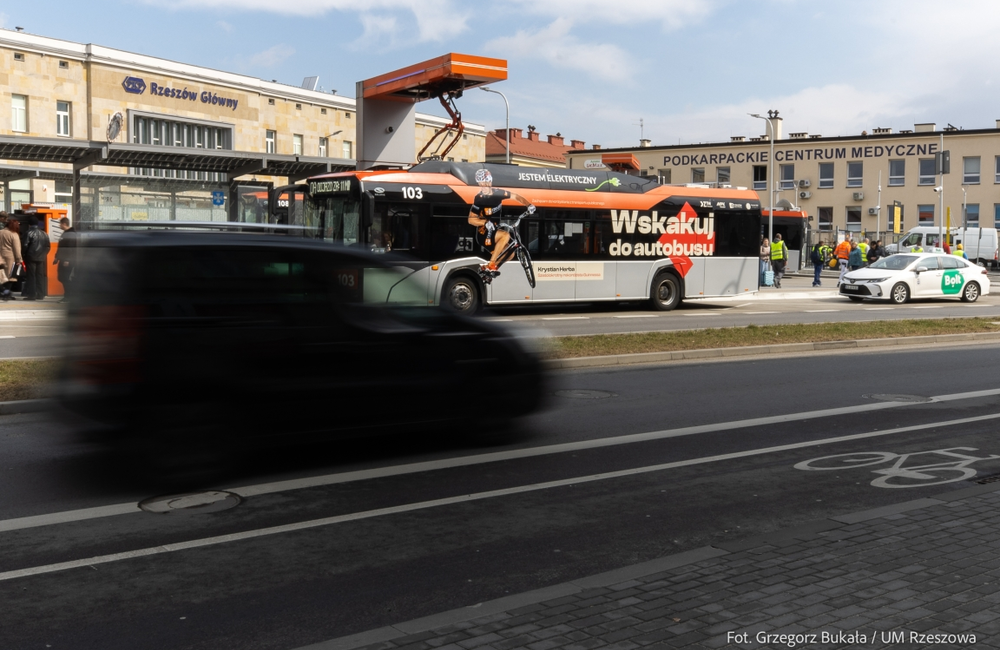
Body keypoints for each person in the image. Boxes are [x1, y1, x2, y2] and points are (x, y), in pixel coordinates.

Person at [467, 169, 534, 280]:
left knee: (510, 254)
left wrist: (529, 205)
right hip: (484, 233)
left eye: (484, 183)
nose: (482, 186)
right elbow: (471, 220)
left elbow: (516, 196)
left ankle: (488, 271)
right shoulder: (479, 199)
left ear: (490, 182)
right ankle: (492, 264)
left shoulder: (499, 193)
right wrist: (485, 222)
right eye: (480, 184)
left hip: (493, 232)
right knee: (505, 235)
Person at [22, 216, 51, 301]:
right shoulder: (44, 233)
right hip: (41, 257)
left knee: (31, 276)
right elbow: (48, 246)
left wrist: (24, 255)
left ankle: (32, 295)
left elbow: (25, 245)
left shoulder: (28, 233)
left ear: (29, 224)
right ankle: (40, 294)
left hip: (31, 257)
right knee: (40, 276)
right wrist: (43, 254)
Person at [53, 216, 77, 302]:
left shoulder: (71, 234)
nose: (59, 225)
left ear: (64, 224)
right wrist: (57, 257)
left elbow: (71, 248)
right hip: (63, 259)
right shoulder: (65, 233)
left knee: (65, 278)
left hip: (67, 261)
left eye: (60, 223)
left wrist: (68, 260)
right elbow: (61, 247)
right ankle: (69, 295)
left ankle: (69, 296)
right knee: (62, 277)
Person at [0, 219, 23, 301]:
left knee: (2, 276)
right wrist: (19, 259)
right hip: (10, 257)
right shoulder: (14, 234)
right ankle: (6, 294)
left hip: (0, 257)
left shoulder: (1, 232)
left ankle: (2, 292)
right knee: (11, 276)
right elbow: (17, 249)